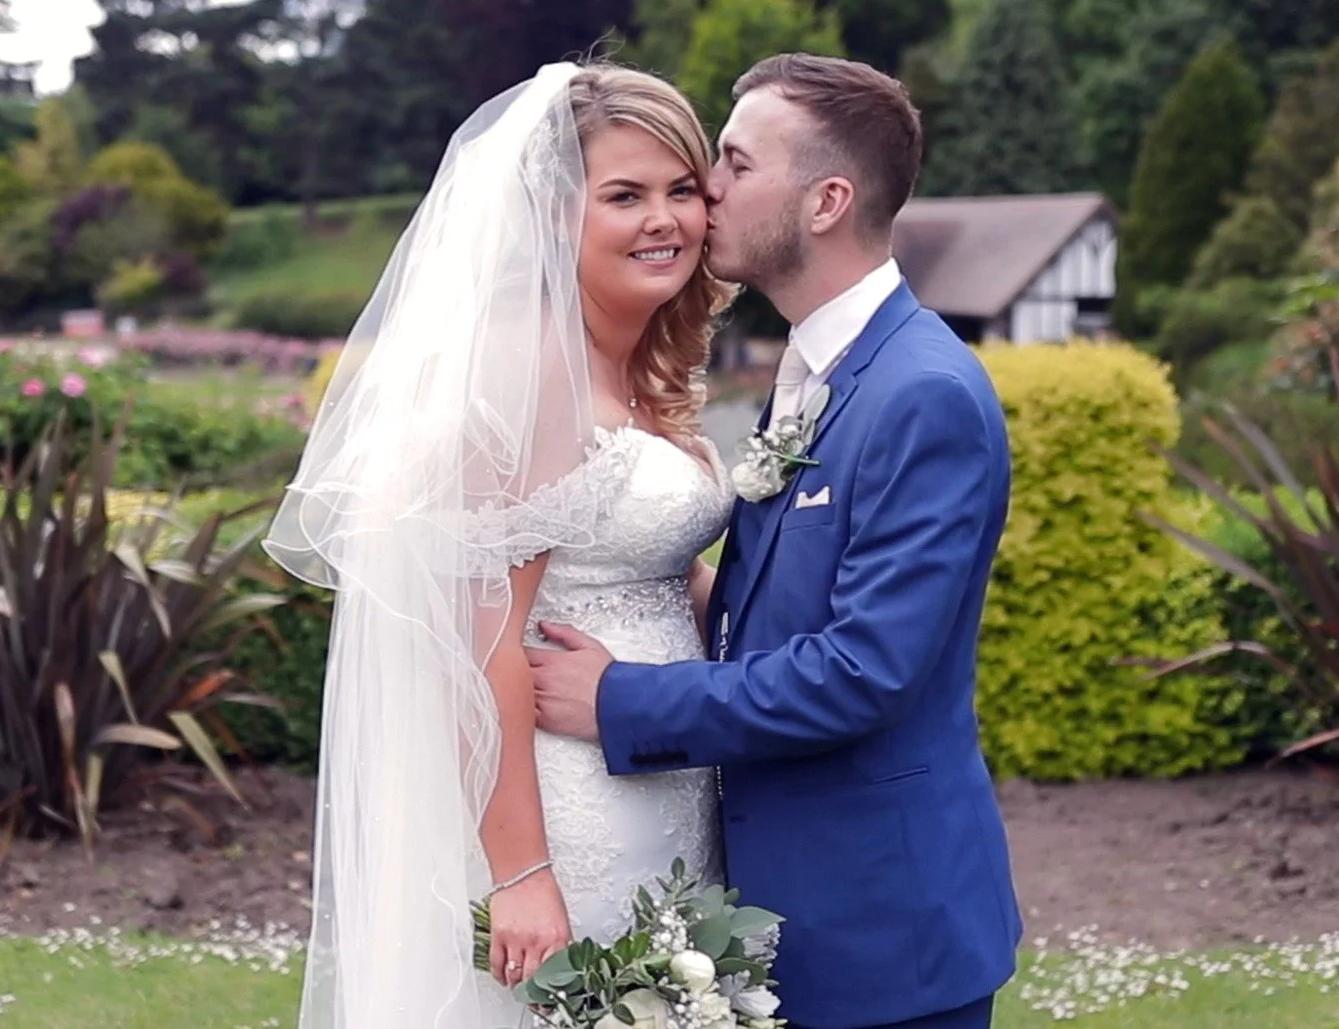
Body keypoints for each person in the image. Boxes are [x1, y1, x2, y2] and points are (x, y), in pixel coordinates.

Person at [529, 54, 1024, 1029]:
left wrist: (624, 697)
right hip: (779, 909)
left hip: (886, 933)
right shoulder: (819, 370)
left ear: (826, 200)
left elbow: (864, 670)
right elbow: (792, 598)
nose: (708, 188)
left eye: (735, 162)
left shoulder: (921, 393)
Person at [262, 62, 738, 1026]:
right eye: (625, 196)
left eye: (681, 189)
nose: (665, 219)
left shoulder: (641, 368)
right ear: (551, 217)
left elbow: (657, 565)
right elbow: (479, 640)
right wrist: (522, 870)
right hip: (571, 802)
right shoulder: (524, 380)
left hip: (669, 774)